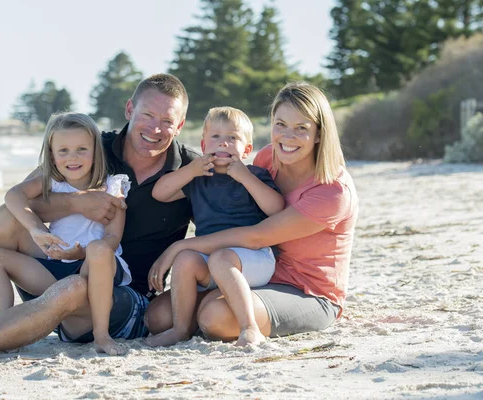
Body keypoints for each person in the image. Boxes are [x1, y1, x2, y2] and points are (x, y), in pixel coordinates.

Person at [0, 73, 200, 367]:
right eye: (148, 115)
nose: (155, 129)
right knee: (5, 219)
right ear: (130, 109)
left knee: (72, 287)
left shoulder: (191, 169)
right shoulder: (90, 146)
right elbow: (24, 196)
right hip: (56, 268)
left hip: (120, 294)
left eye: (166, 121)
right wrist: (76, 202)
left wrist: (176, 253)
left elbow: (228, 226)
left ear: (180, 125)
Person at [144, 82, 359, 346]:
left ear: (318, 134)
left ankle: (234, 321)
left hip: (307, 292)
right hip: (251, 273)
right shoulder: (269, 158)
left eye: (301, 128)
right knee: (158, 317)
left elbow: (257, 236)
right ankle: (196, 318)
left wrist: (180, 246)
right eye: (280, 125)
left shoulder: (333, 191)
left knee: (214, 317)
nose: (287, 137)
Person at [0, 112, 132, 356]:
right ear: (51, 154)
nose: (72, 157)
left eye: (81, 149)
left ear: (96, 151)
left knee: (98, 249)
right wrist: (37, 229)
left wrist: (81, 252)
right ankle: (6, 331)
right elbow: (13, 195)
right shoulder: (51, 181)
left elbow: (113, 238)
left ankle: (101, 335)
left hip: (95, 268)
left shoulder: (112, 185)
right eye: (63, 150)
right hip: (58, 267)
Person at [144, 106, 284, 347]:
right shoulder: (199, 179)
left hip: (254, 259)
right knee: (186, 258)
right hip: (211, 258)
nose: (224, 143)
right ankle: (180, 328)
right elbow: (160, 193)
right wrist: (191, 169)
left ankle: (249, 328)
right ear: (203, 144)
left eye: (233, 138)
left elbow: (276, 208)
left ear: (247, 149)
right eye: (216, 137)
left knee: (222, 258)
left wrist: (245, 178)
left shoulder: (254, 174)